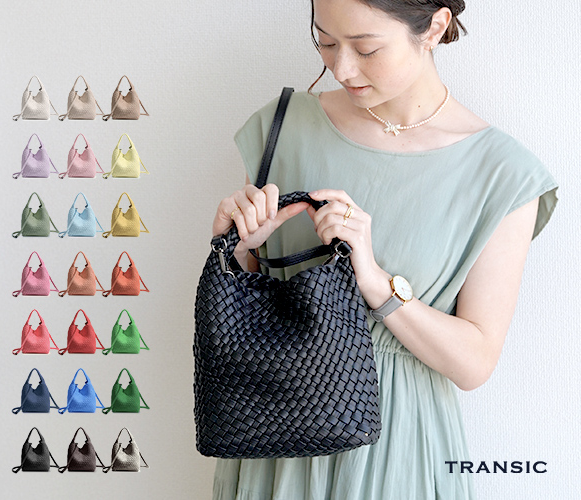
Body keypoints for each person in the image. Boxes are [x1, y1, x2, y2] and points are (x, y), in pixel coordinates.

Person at [209, 0, 558, 498]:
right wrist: (239, 250)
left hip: (398, 445)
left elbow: (474, 364)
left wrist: (375, 282)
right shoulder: (281, 127)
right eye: (326, 42)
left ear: (434, 27)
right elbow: (246, 311)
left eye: (366, 48)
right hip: (275, 430)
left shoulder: (501, 173)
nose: (342, 68)